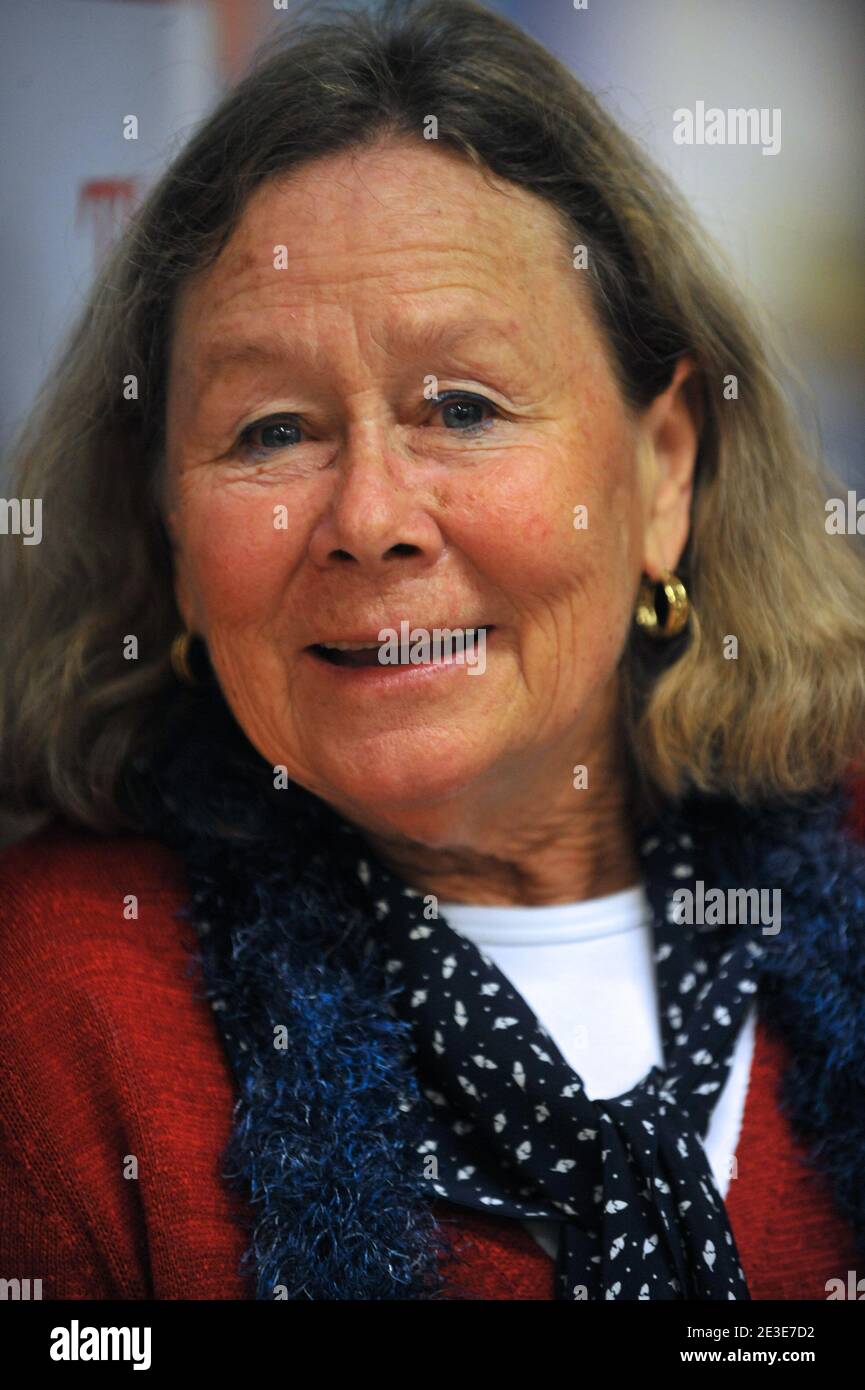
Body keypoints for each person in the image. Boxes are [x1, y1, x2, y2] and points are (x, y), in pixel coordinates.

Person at [1, 0, 864, 1301]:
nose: (369, 521)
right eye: (271, 430)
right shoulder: (56, 1015)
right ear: (168, 528)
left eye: (461, 406)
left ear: (663, 467)